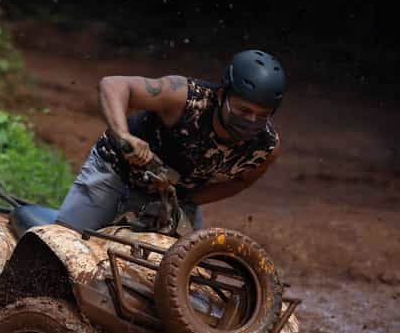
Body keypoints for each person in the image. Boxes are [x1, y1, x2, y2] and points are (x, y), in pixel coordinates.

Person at [56, 49, 286, 231]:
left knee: (188, 271)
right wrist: (123, 136)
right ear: (221, 96)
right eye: (243, 110)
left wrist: (186, 201)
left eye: (262, 115)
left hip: (173, 196)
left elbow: (240, 182)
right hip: (117, 170)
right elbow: (112, 85)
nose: (251, 120)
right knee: (67, 243)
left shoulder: (265, 147)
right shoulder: (184, 98)